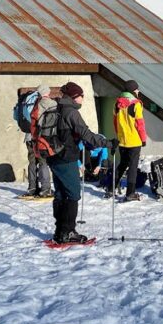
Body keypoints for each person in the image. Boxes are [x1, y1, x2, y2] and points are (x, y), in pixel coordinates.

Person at [47, 82, 107, 244]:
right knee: (73, 193)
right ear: (74, 97)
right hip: (66, 158)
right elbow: (85, 133)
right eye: (82, 95)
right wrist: (105, 143)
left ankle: (60, 231)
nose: (83, 98)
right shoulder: (71, 112)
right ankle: (68, 232)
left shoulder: (57, 108)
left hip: (54, 156)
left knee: (60, 193)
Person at [113, 80, 148, 202]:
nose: (138, 91)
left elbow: (115, 123)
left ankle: (110, 188)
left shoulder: (117, 104)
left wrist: (119, 135)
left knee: (122, 164)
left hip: (122, 141)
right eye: (137, 89)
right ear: (133, 91)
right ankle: (130, 193)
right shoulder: (136, 104)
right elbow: (140, 124)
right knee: (133, 167)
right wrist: (143, 139)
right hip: (134, 141)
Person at [17, 84, 53, 198]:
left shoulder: (28, 102)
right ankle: (45, 189)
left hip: (28, 137)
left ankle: (32, 188)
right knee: (43, 162)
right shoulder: (43, 103)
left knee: (32, 162)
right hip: (39, 138)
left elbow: (16, 116)